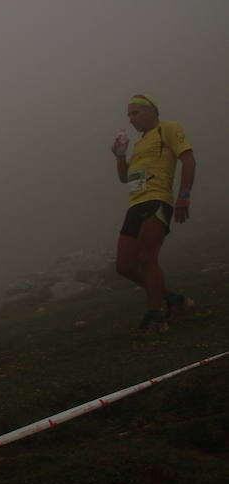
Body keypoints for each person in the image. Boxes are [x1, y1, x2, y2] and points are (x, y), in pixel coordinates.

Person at [111, 94, 196, 335]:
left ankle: (155, 317)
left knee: (148, 258)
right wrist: (119, 156)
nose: (130, 119)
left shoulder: (167, 129)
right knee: (125, 266)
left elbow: (188, 159)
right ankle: (175, 299)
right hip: (135, 204)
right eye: (128, 114)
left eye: (135, 113)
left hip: (157, 200)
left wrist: (184, 195)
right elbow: (124, 178)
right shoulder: (139, 144)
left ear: (152, 112)